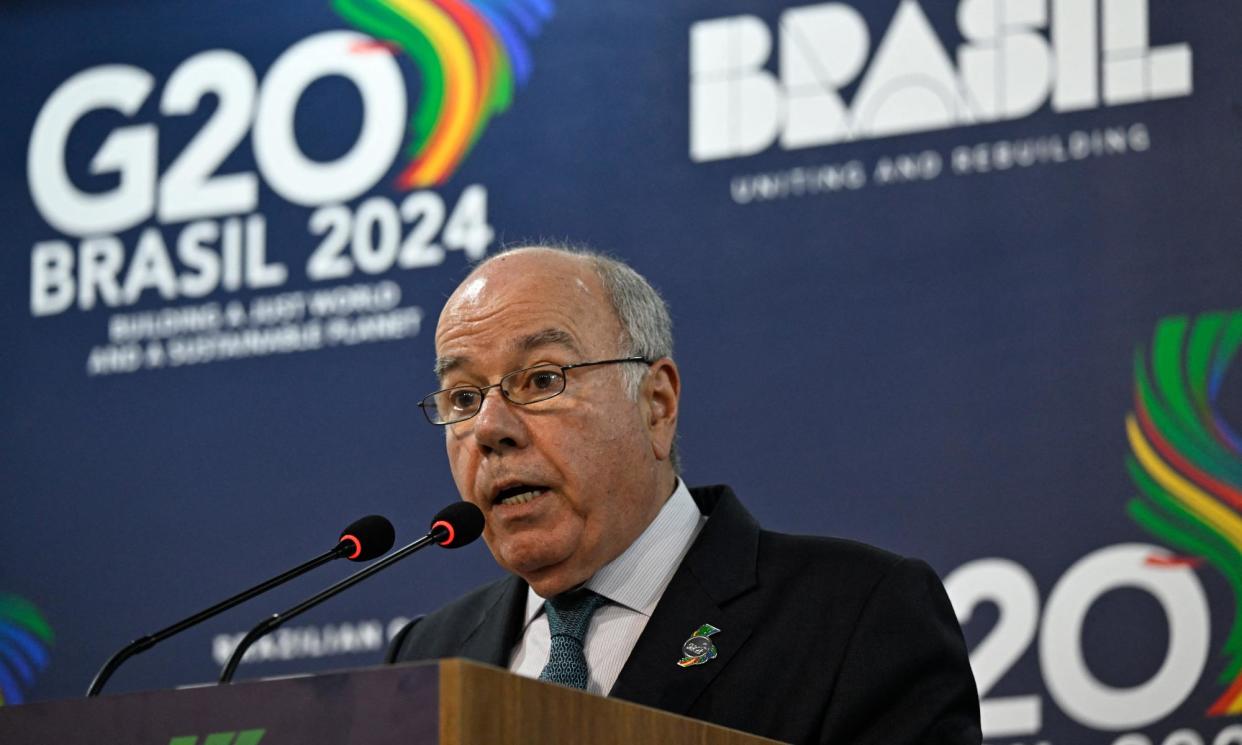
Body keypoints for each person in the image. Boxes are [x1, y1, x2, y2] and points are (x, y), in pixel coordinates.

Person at [387, 245, 981, 744]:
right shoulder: (423, 656)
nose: (489, 429)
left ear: (656, 405)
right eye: (463, 397)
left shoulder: (856, 616)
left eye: (543, 379)